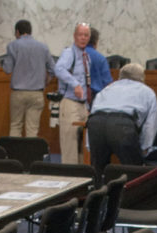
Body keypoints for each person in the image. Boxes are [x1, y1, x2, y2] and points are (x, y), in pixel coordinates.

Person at [87, 63, 157, 182]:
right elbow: (150, 125)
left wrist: (90, 144)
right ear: (142, 77)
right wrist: (145, 147)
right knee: (133, 171)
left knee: (98, 171)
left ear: (120, 76)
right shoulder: (147, 92)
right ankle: (132, 193)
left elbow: (92, 115)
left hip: (96, 125)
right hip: (122, 126)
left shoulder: (107, 89)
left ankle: (98, 191)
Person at [3, 19, 53, 137]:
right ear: (30, 31)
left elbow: (7, 69)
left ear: (17, 32)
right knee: (32, 129)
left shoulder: (13, 46)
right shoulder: (43, 47)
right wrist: (46, 82)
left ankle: (14, 149)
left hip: (18, 93)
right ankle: (30, 150)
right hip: (37, 93)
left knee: (16, 126)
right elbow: (53, 69)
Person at [54, 22, 92, 164]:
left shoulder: (86, 56)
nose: (83, 38)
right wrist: (74, 84)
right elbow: (58, 69)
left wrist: (87, 106)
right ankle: (69, 174)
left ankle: (81, 174)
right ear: (74, 36)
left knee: (83, 147)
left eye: (86, 35)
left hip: (82, 105)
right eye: (80, 35)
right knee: (70, 146)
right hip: (70, 103)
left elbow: (86, 82)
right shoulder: (69, 53)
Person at [86, 27, 112, 97]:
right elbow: (108, 84)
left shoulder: (73, 55)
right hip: (95, 98)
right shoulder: (101, 59)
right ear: (96, 41)